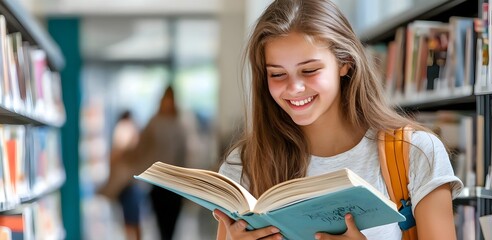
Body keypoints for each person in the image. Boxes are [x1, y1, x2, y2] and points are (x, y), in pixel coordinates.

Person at [212, 0, 464, 239]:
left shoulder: (416, 152)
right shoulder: (243, 165)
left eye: (309, 70)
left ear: (345, 63)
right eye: (277, 74)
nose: (294, 88)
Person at [99, 86, 188, 240]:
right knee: (161, 224)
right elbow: (141, 149)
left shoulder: (180, 124)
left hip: (176, 184)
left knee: (171, 225)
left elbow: (184, 154)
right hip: (159, 182)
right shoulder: (154, 123)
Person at [110, 110, 142, 240]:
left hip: (128, 182)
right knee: (132, 217)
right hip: (127, 182)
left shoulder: (125, 130)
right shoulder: (127, 130)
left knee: (130, 217)